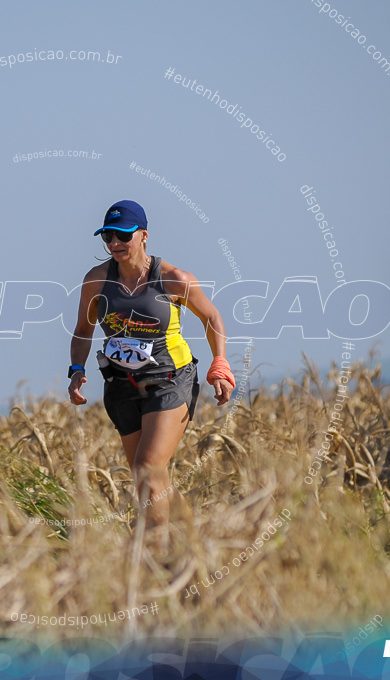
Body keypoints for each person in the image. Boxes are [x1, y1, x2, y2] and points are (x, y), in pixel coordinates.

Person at [68, 200, 236, 533]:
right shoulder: (97, 281)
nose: (115, 243)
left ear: (143, 235)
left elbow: (212, 317)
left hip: (171, 381)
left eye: (123, 235)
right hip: (121, 385)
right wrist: (76, 370)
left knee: (148, 469)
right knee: (150, 481)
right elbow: (83, 330)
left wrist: (220, 362)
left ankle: (155, 558)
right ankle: (193, 544)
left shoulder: (174, 279)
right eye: (108, 237)